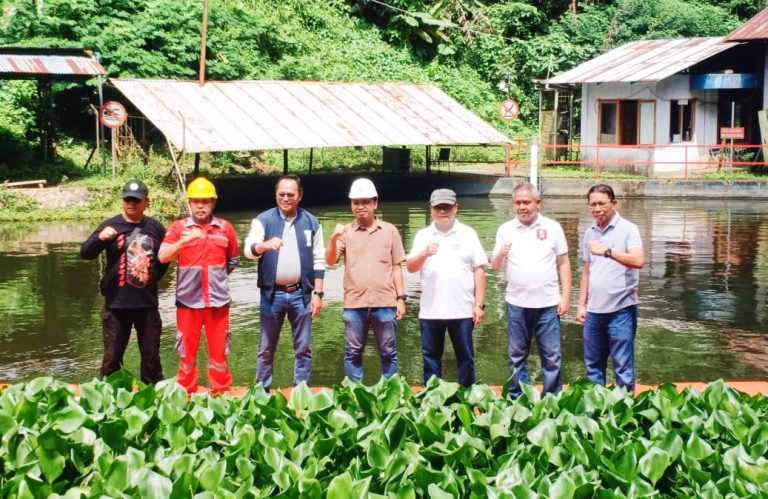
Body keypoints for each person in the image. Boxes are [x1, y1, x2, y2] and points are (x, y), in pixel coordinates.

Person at [80, 179, 168, 384]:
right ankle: (109, 399)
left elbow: (165, 259)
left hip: (146, 303)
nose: (132, 204)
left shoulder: (155, 227)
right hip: (116, 304)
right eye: (128, 199)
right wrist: (99, 238)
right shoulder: (110, 225)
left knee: (151, 358)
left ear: (146, 201)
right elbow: (86, 253)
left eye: (137, 200)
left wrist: (152, 278)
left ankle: (153, 395)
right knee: (112, 358)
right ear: (122, 200)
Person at [244, 174, 326, 391]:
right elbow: (249, 250)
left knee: (303, 347)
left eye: (291, 194)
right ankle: (262, 391)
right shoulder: (264, 220)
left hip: (302, 294)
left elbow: (319, 258)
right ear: (276, 195)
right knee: (266, 347)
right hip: (273, 294)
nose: (286, 198)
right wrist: (264, 246)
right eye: (282, 194)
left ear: (300, 196)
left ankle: (301, 390)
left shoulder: (311, 222)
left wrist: (318, 294)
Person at [158, 177, 239, 395]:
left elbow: (232, 261)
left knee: (220, 352)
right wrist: (183, 241)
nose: (200, 205)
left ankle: (221, 392)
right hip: (188, 301)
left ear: (213, 202)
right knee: (186, 353)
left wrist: (217, 279)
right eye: (195, 201)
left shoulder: (225, 228)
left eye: (205, 201)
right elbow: (163, 256)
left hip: (218, 301)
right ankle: (186, 393)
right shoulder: (178, 228)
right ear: (189, 203)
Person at [491, 182, 571, 397]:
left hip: (547, 303)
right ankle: (519, 396)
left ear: (538, 203)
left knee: (552, 355)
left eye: (526, 202)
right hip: (517, 303)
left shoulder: (552, 227)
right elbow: (496, 266)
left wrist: (565, 297)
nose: (522, 207)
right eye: (518, 202)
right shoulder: (506, 229)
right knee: (516, 354)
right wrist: (501, 254)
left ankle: (553, 396)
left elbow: (563, 262)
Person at [326, 178, 406, 382]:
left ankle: (391, 393)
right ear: (351, 205)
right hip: (355, 303)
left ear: (375, 203)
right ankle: (356, 395)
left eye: (365, 202)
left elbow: (396, 266)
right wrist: (333, 238)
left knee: (388, 352)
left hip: (385, 302)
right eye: (356, 202)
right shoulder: (345, 232)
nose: (360, 206)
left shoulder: (390, 231)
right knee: (353, 352)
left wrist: (401, 298)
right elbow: (331, 260)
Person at [406, 189, 487, 387]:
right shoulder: (423, 235)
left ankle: (468, 397)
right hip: (431, 310)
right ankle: (433, 397)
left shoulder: (468, 234)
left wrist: (480, 304)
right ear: (431, 209)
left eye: (447, 207)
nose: (443, 211)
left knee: (465, 357)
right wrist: (424, 253)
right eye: (438, 207)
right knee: (431, 357)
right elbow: (410, 267)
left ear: (455, 208)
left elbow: (479, 269)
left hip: (462, 309)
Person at [576, 184, 644, 393]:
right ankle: (597, 412)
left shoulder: (628, 229)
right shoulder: (589, 232)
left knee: (622, 366)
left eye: (601, 204)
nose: (597, 209)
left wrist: (607, 251)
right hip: (594, 311)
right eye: (593, 204)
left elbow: (638, 260)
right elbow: (587, 271)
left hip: (621, 309)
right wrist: (580, 305)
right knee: (593, 366)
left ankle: (625, 411)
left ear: (613, 204)